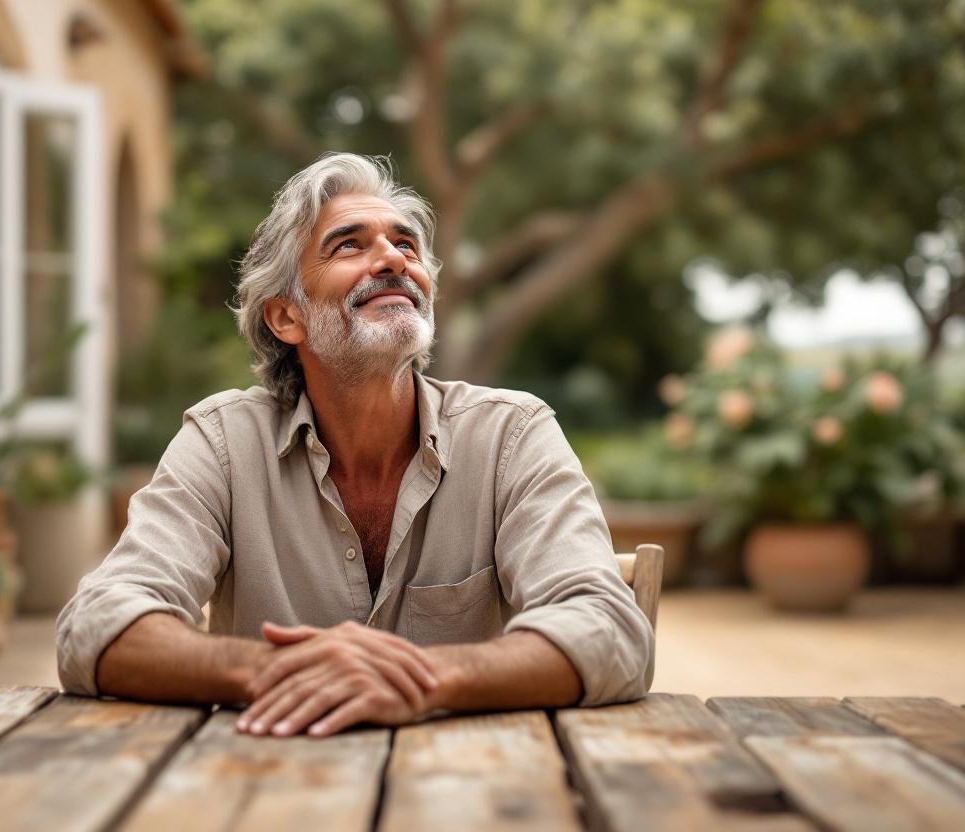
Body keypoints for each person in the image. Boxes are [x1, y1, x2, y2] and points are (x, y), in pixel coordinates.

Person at [56, 153, 653, 737]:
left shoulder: (512, 434)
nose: (393, 258)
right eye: (349, 244)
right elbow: (97, 625)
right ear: (286, 318)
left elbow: (609, 630)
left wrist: (421, 680)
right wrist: (277, 671)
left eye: (406, 244)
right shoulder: (222, 442)